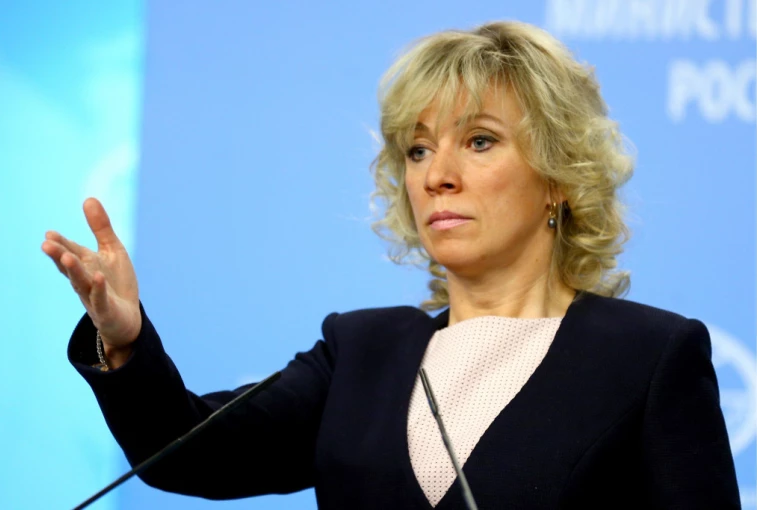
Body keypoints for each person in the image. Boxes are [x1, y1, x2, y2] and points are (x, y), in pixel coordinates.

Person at [42, 20, 741, 509]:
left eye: (479, 141)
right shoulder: (361, 351)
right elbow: (187, 453)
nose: (437, 175)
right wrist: (125, 342)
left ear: (557, 174)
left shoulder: (649, 356)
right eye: (417, 150)